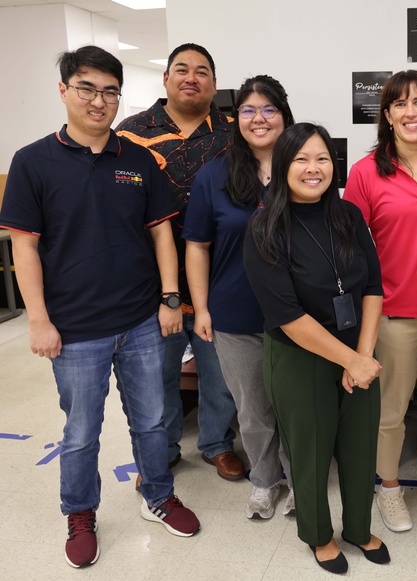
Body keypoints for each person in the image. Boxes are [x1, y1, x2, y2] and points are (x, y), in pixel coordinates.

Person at [0, 46, 200, 569]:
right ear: (64, 91)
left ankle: (157, 495)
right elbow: (25, 247)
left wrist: (169, 299)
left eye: (110, 91)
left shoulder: (136, 158)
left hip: (140, 319)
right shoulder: (32, 161)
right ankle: (80, 512)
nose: (100, 101)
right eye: (87, 88)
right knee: (81, 431)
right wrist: (38, 320)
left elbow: (161, 233)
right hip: (74, 329)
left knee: (153, 420)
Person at [243, 123, 390, 575]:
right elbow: (287, 315)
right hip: (299, 357)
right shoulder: (264, 227)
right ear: (284, 166)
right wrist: (351, 360)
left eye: (322, 158)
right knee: (308, 452)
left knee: (360, 446)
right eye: (302, 159)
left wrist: (361, 356)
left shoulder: (347, 215)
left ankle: (359, 528)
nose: (313, 168)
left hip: (357, 352)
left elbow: (372, 287)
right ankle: (318, 535)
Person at [343, 70, 417, 532]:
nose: (410, 112)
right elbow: (351, 251)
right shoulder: (365, 172)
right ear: (388, 116)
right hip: (394, 314)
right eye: (399, 104)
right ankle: (389, 487)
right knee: (390, 410)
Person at [117, 43, 244, 484]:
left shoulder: (234, 134)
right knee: (157, 373)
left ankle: (216, 443)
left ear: (214, 82)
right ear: (166, 78)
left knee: (219, 370)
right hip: (154, 281)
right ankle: (164, 447)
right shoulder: (131, 133)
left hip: (221, 275)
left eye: (203, 71)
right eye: (182, 69)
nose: (192, 77)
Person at [183, 75, 295, 519]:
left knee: (294, 407)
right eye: (248, 110)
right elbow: (197, 245)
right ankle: (265, 481)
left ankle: (298, 477)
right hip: (234, 314)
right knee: (252, 410)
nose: (259, 118)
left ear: (284, 115)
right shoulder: (215, 175)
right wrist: (202, 308)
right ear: (236, 119)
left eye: (268, 109)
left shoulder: (304, 167)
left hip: (297, 316)